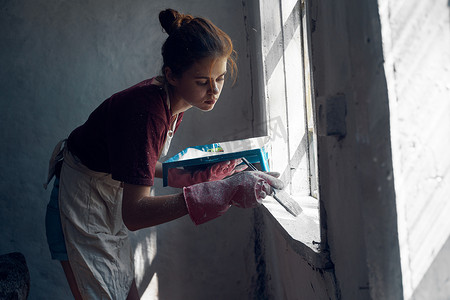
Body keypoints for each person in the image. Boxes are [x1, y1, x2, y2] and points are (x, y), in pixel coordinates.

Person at [44, 8, 284, 300]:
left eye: (219, 78)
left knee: (127, 292)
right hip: (79, 206)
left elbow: (135, 161)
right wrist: (218, 192)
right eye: (202, 81)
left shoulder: (173, 102)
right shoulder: (148, 112)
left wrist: (188, 173)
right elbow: (134, 214)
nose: (214, 91)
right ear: (171, 75)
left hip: (103, 198)